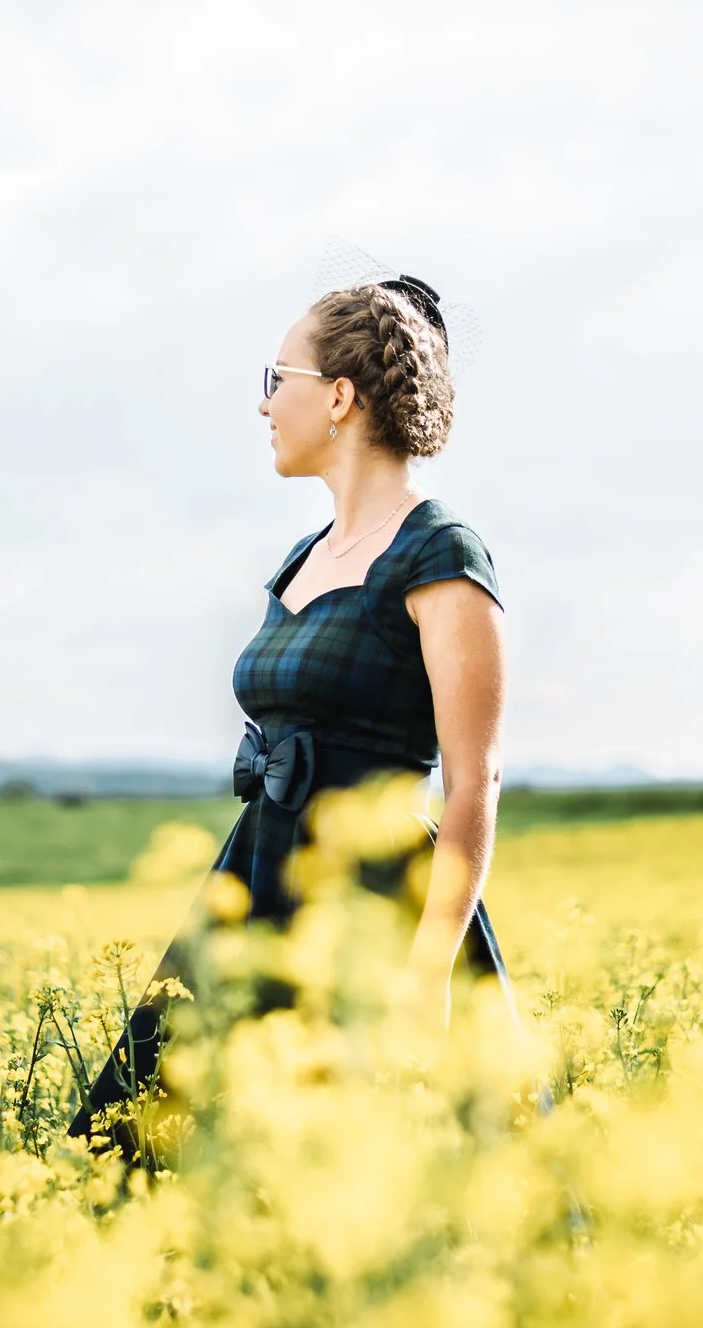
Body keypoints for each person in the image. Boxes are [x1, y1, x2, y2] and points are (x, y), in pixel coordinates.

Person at [71, 272, 513, 1155]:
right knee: (142, 1152)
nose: (265, 403)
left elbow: (475, 782)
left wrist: (425, 973)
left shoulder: (441, 553)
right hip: (258, 880)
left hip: (371, 904)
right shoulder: (304, 556)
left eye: (279, 378)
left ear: (340, 397)